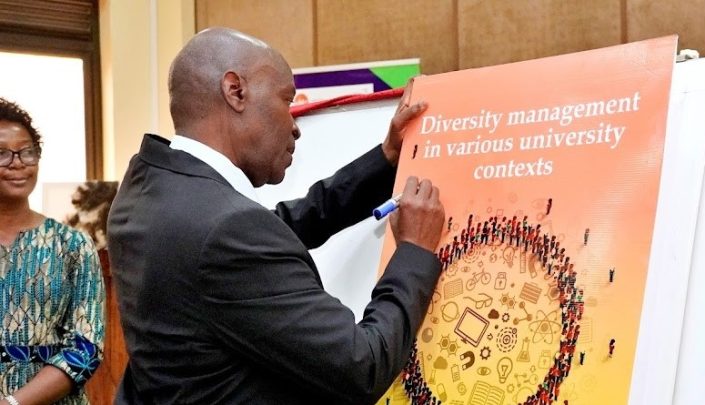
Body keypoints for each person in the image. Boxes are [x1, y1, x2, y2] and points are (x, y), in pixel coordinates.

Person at [107, 28, 445, 404]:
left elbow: (279, 227)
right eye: (287, 101)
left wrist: (384, 160)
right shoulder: (227, 229)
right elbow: (362, 364)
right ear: (235, 91)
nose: (295, 125)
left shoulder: (150, 186)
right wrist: (413, 250)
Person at [0, 98, 105, 405]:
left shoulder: (72, 245)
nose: (17, 162)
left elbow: (86, 347)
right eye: (2, 153)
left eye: (27, 151)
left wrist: (14, 404)